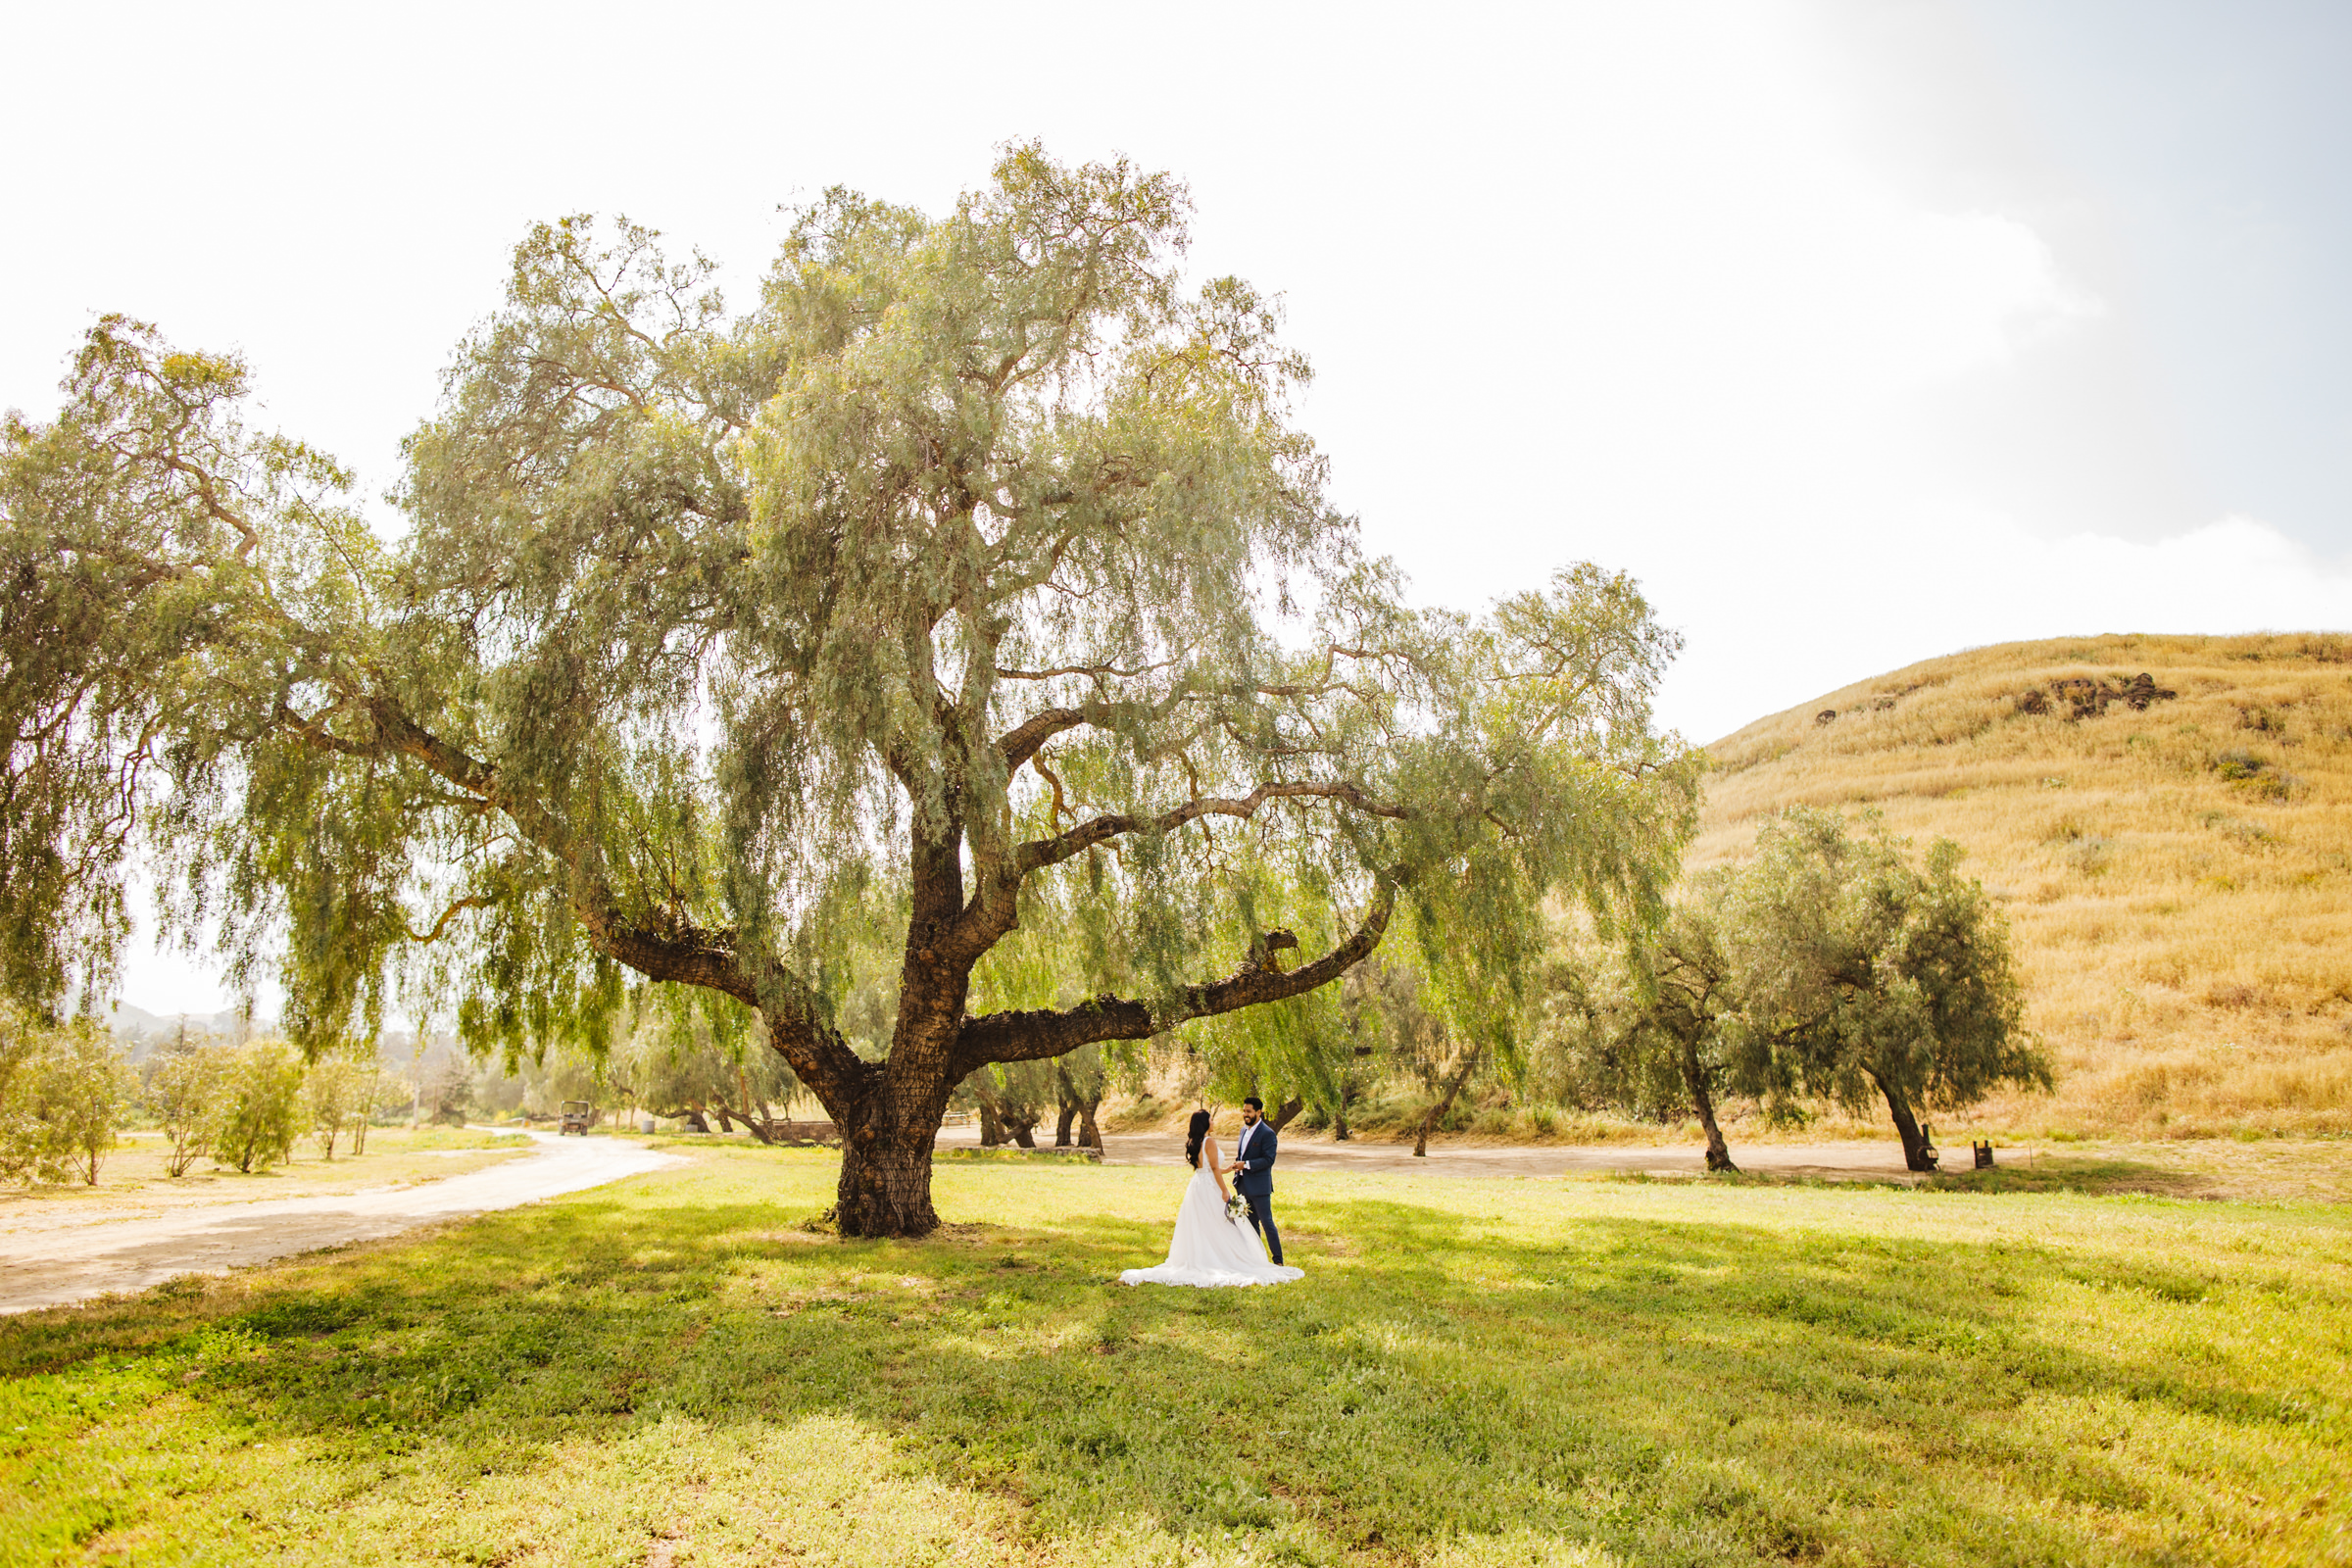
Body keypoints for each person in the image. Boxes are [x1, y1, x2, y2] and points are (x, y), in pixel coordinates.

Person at [1118, 1107, 1303, 1288]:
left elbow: (1206, 1168)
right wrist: (1224, 1190)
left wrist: (1228, 1169)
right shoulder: (1210, 1142)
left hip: (1198, 1185)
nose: (1214, 1122)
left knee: (1204, 1223)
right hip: (1211, 1186)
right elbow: (1213, 1169)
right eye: (1211, 1119)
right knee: (1220, 1223)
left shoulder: (1197, 1141)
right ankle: (1222, 1258)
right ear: (1205, 1123)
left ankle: (1203, 1255)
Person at [1229, 1095, 1284, 1265]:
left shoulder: (1268, 1134)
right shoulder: (1242, 1131)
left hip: (1260, 1187)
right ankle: (1256, 1259)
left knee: (1267, 1223)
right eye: (1244, 1111)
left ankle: (1278, 1260)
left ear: (1259, 1112)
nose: (1245, 1114)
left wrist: (1245, 1164)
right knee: (1250, 1225)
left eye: (1249, 1111)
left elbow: (1269, 1160)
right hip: (1243, 1185)